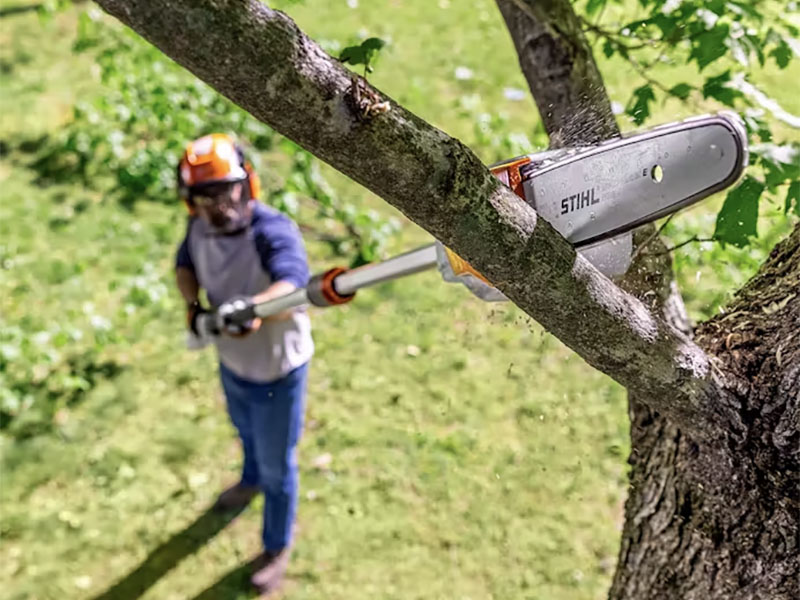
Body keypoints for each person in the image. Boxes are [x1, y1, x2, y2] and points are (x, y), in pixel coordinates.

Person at [174, 133, 313, 594]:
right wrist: (194, 307)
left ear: (246, 183)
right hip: (233, 363)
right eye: (204, 195)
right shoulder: (198, 229)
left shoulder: (271, 231)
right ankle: (248, 480)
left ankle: (276, 546)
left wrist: (253, 307)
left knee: (280, 466)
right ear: (191, 201)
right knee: (244, 431)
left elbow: (293, 286)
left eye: (225, 189)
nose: (217, 203)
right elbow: (185, 266)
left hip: (278, 370)